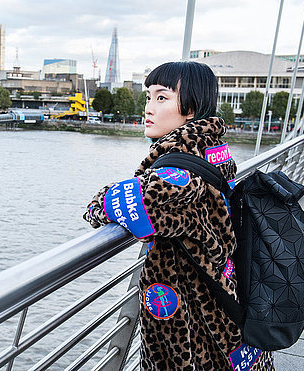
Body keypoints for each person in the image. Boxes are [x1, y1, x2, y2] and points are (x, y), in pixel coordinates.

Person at [83, 61, 274, 370]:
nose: (149, 107)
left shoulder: (181, 169)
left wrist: (96, 204)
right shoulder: (211, 150)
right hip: (221, 308)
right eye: (148, 97)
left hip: (193, 328)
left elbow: (132, 202)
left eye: (162, 97)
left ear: (191, 108)